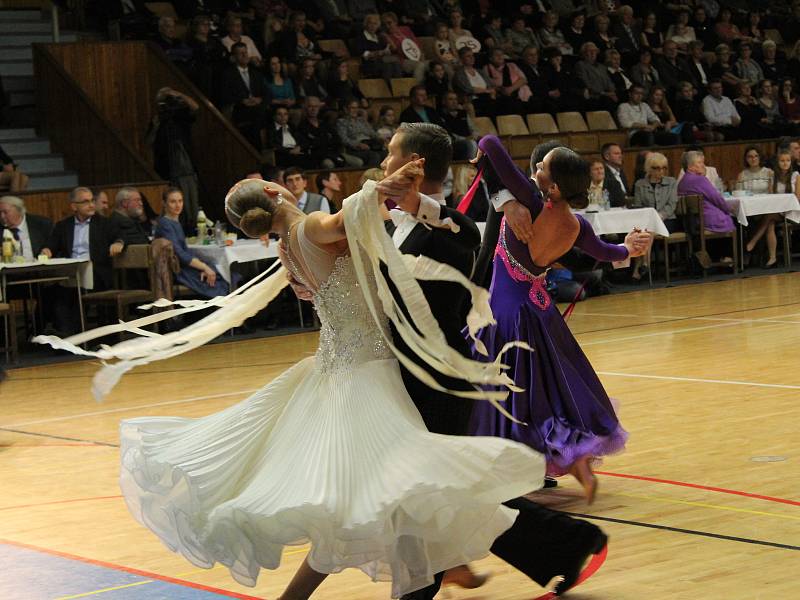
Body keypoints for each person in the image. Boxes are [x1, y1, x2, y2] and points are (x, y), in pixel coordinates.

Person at [37, 159, 550, 600]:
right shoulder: (309, 229)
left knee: (381, 487)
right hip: (364, 373)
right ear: (279, 193)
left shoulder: (290, 242)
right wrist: (394, 178)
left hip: (342, 367)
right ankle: (423, 567)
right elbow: (363, 209)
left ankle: (437, 565)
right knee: (378, 487)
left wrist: (391, 187)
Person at [466, 135, 650, 503]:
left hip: (505, 312)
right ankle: (577, 463)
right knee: (548, 391)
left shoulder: (532, 202)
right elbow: (609, 252)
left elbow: (490, 142)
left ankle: (509, 470)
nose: (534, 170)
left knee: (509, 395)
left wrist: (482, 152)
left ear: (552, 185)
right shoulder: (577, 225)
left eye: (541, 167)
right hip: (538, 309)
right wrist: (629, 247)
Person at [154, 187, 228, 297]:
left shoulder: (175, 222)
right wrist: (204, 267)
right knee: (219, 280)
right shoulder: (165, 224)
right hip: (177, 272)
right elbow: (179, 253)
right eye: (173, 201)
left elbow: (186, 251)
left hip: (184, 267)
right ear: (164, 203)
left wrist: (205, 267)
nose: (178, 205)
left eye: (180, 201)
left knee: (223, 273)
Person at [148, 87, 202, 227]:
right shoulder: (158, 120)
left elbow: (195, 107)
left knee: (191, 206)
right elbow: (149, 141)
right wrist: (156, 123)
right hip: (168, 170)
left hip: (187, 167)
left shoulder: (180, 116)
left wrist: (177, 94)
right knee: (175, 205)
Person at [677, 150, 736, 265]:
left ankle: (717, 258)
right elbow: (717, 199)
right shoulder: (700, 180)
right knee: (734, 220)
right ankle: (728, 258)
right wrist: (729, 209)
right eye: (699, 163)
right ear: (690, 166)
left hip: (691, 222)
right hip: (707, 220)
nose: (703, 166)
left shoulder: (682, 182)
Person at [744, 149, 794, 269]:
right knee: (770, 221)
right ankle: (772, 258)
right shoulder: (773, 176)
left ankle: (754, 240)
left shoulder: (795, 175)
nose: (785, 163)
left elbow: (797, 197)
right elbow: (771, 197)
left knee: (770, 216)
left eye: (788, 160)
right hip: (778, 210)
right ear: (777, 163)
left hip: (793, 209)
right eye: (782, 161)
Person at [0, 195, 53, 260]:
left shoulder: (42, 224)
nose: (2, 216)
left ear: (19, 210)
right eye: (0, 212)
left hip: (38, 267)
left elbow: (53, 247)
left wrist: (47, 251)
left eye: (5, 212)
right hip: (9, 268)